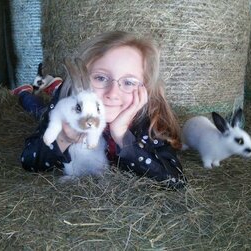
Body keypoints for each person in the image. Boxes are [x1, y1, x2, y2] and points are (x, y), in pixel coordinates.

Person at [11, 31, 186, 188]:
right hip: (64, 104)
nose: (112, 94)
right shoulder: (69, 104)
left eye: (129, 82)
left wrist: (122, 136)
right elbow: (29, 160)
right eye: (101, 78)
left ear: (144, 89)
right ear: (83, 78)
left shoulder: (147, 119)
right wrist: (64, 137)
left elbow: (174, 180)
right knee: (37, 109)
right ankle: (25, 94)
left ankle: (52, 84)